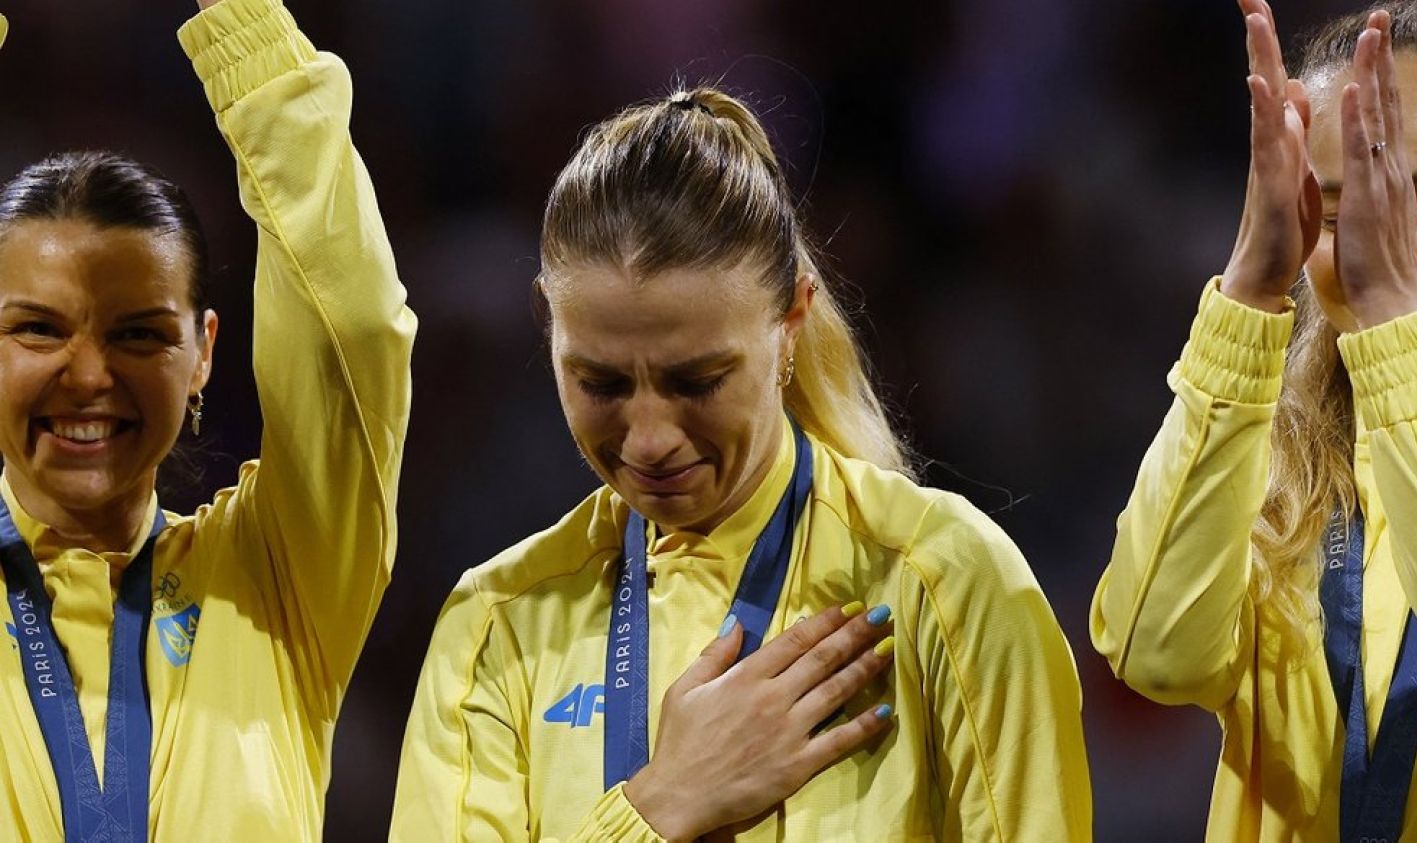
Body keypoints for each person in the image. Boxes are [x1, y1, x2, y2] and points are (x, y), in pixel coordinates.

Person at [391, 88, 1090, 840]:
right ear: (547, 324)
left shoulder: (947, 582)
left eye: (697, 381)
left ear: (791, 318)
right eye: (602, 383)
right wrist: (658, 806)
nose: (650, 436)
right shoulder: (495, 627)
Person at [0, 0, 414, 838]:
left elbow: (354, 326)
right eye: (39, 328)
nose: (88, 375)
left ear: (204, 353)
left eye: (139, 333)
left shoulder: (280, 577)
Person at [1092, 1, 1417, 839]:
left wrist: (1394, 323)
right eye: (1342, 216)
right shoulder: (1270, 453)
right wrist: (1248, 289)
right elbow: (1155, 652)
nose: (1381, 249)